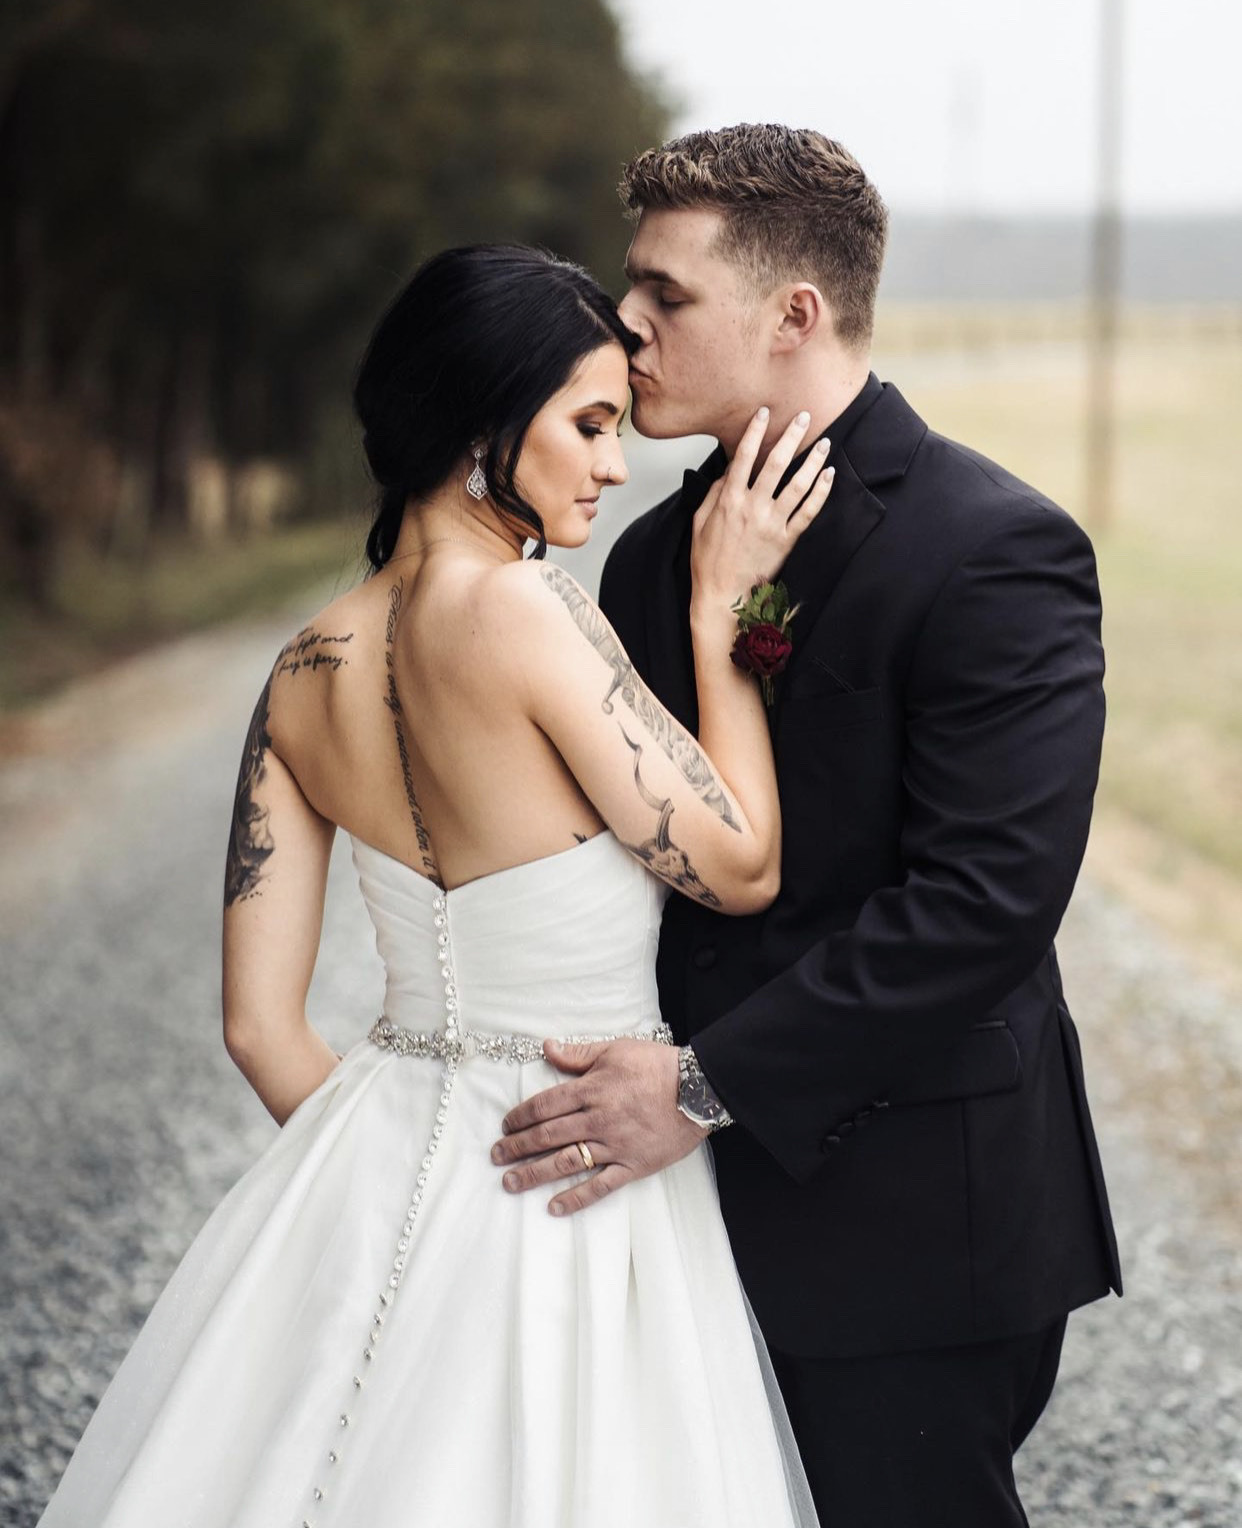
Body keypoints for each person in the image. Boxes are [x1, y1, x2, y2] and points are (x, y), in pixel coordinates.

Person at [34, 243, 835, 1527]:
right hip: (579, 1179)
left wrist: (398, 1175)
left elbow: (257, 1027)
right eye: (587, 425)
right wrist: (716, 618)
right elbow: (739, 865)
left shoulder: (300, 669)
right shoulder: (530, 611)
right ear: (481, 421)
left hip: (376, 1162)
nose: (614, 465)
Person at [493, 126, 1124, 1526]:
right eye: (625, 291)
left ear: (794, 315)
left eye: (666, 296)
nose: (625, 328)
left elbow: (984, 904)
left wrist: (703, 1083)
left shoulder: (992, 547)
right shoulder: (654, 552)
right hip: (678, 1215)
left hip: (909, 1214)